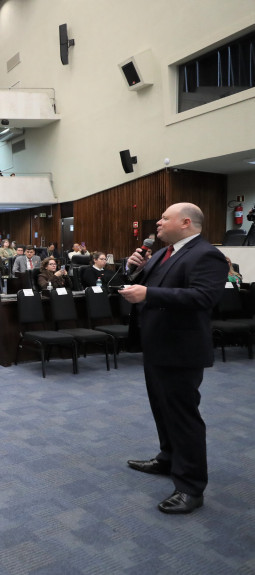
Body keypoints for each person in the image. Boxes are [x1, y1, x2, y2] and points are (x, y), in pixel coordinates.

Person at [119, 203, 227, 514]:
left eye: (165, 218)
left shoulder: (206, 254)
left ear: (185, 222)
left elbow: (204, 298)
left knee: (183, 417)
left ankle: (191, 488)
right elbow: (146, 283)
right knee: (162, 409)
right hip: (157, 346)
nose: (158, 223)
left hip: (181, 350)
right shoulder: (167, 253)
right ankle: (168, 458)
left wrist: (148, 294)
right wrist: (132, 268)